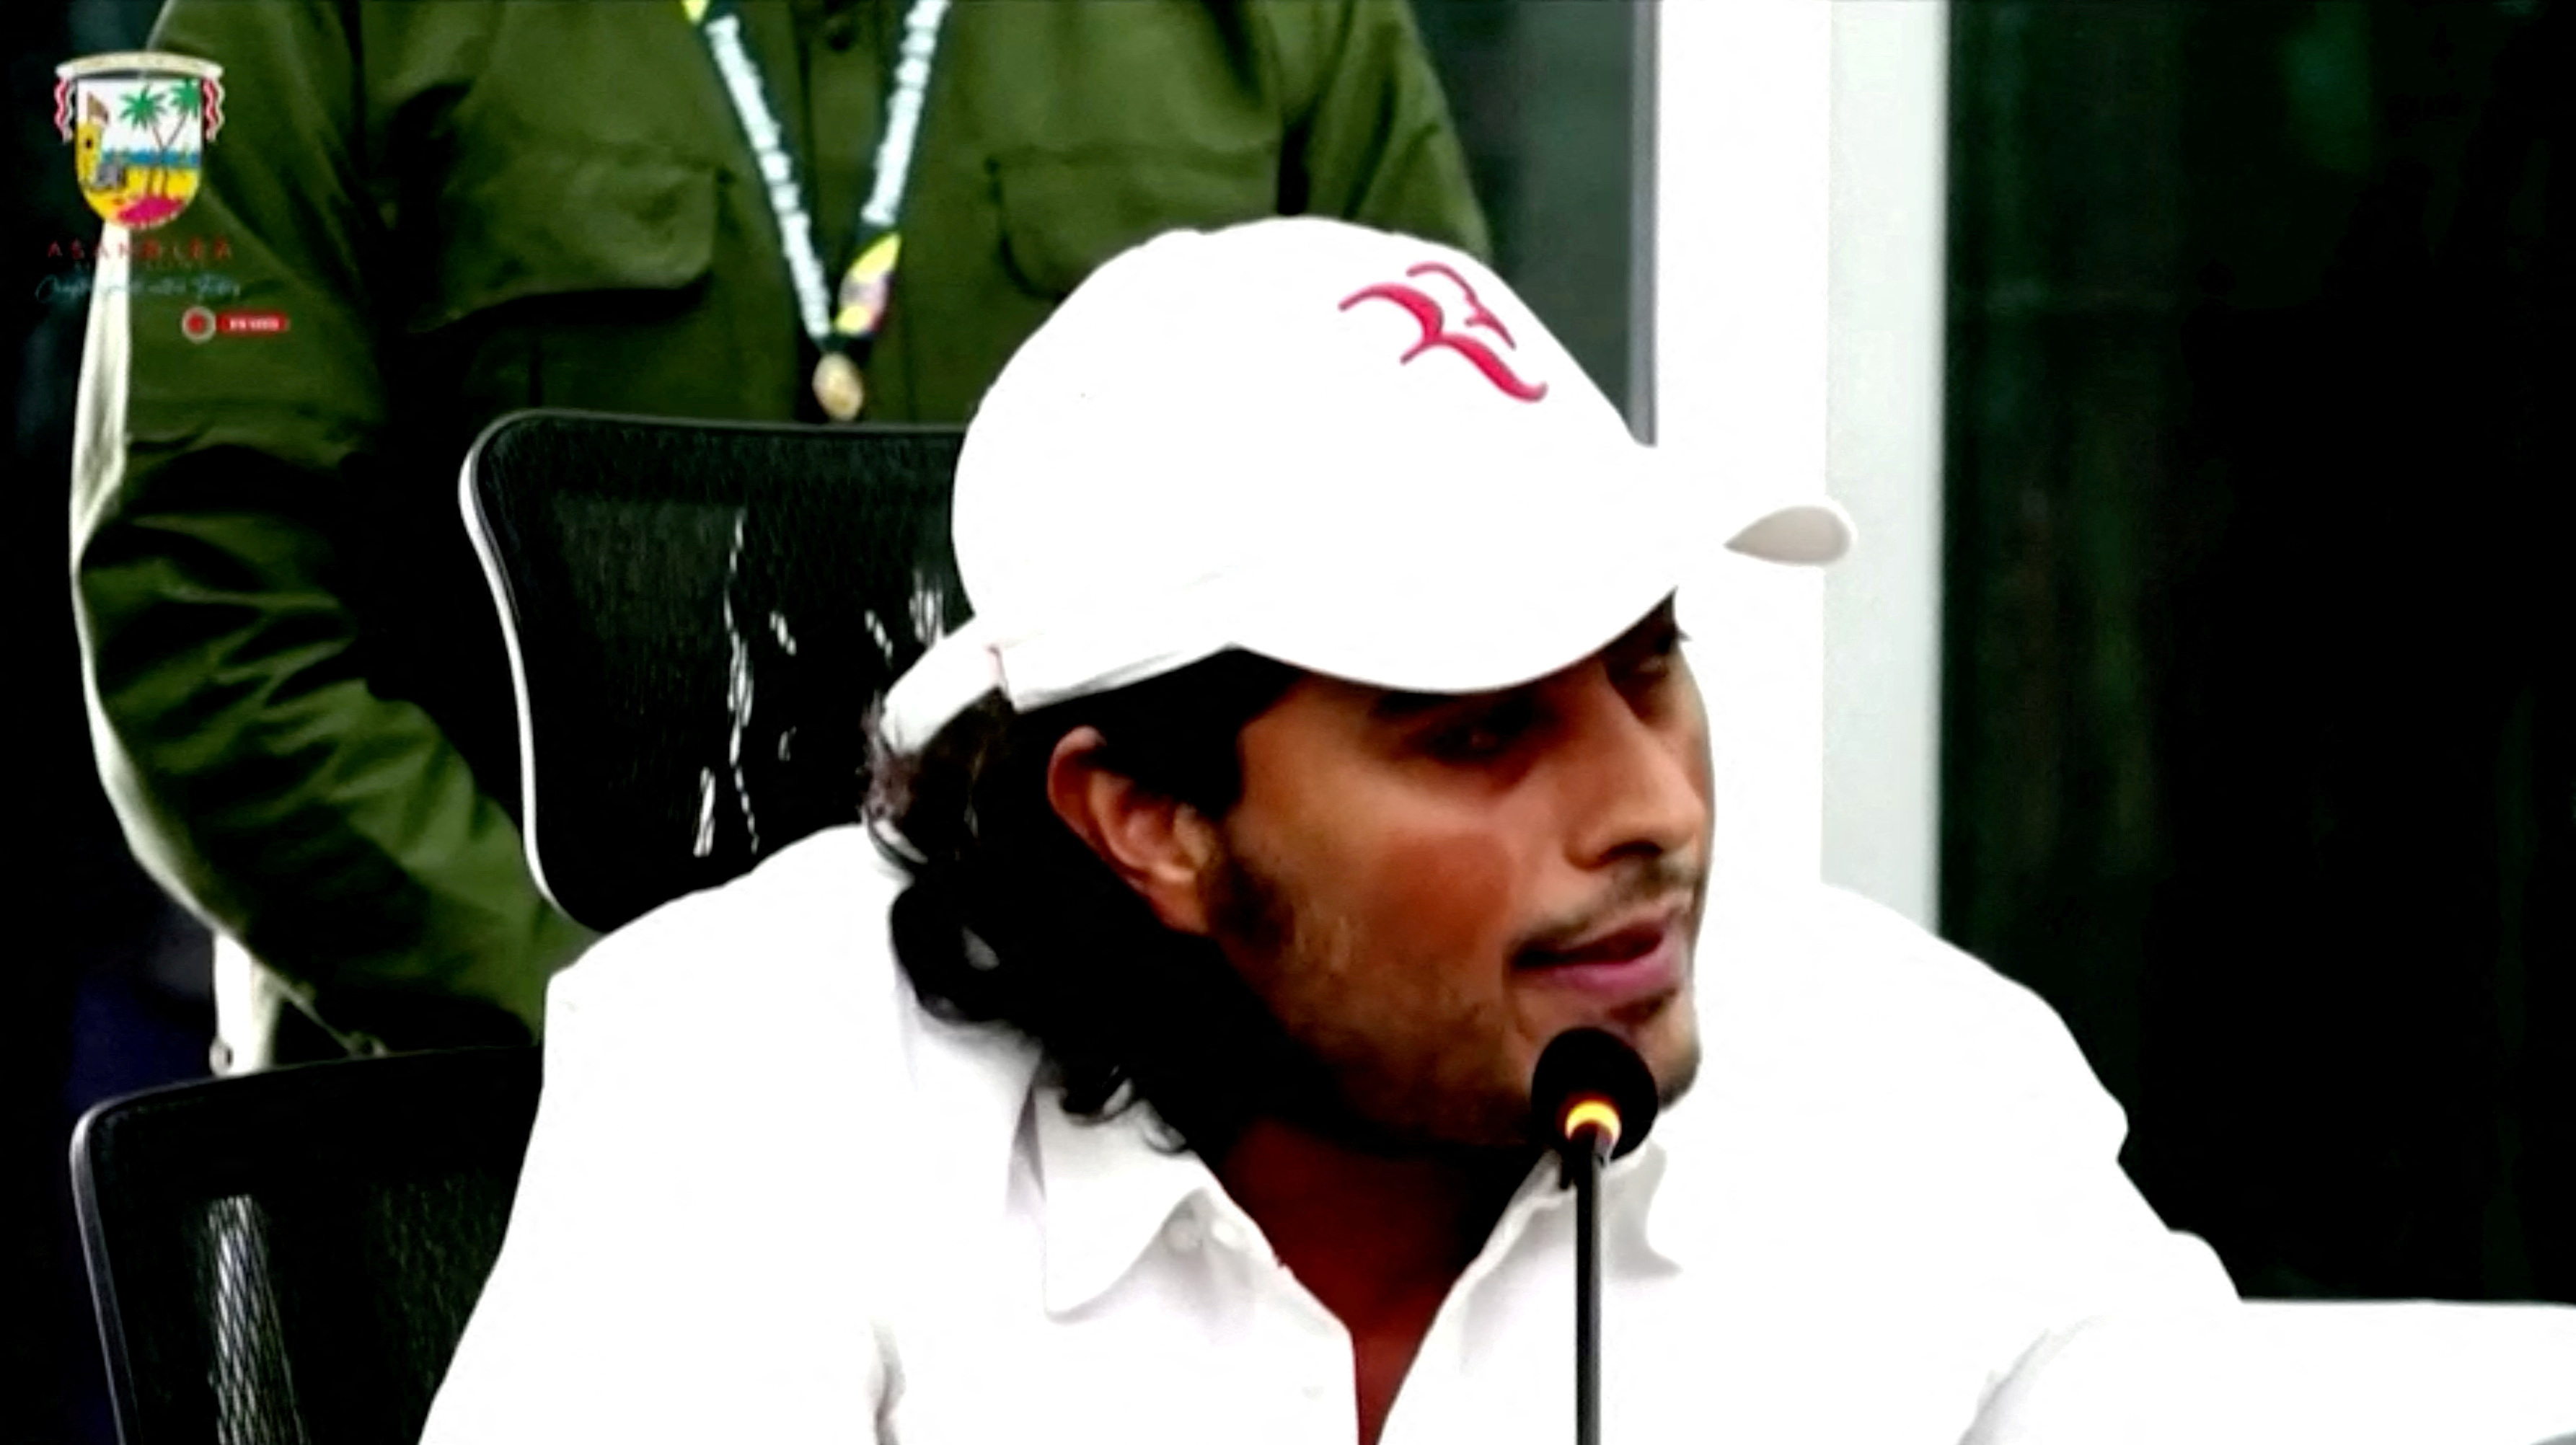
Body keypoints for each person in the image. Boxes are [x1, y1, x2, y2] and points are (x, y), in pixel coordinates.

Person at [420, 217, 2246, 1445]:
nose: (1655, 806)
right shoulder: (755, 1073)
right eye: (1480, 732)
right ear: (1147, 817)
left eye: (1651, 663)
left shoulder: (1920, 1086)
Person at [69, 0, 1488, 1069]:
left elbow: (1458, 559)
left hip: (1133, 1129)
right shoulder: (314, 22)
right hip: (497, 1155)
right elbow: (207, 625)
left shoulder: (1290, 24)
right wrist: (613, 1031)